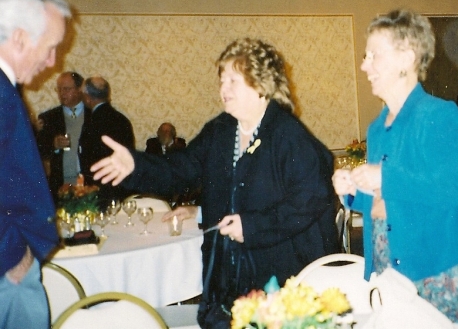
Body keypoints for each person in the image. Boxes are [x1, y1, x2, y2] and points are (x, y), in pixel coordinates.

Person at [90, 38, 339, 329]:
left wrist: (253, 226)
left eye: (233, 80)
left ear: (261, 84)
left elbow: (311, 199)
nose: (223, 89)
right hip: (227, 271)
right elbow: (181, 169)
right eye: (222, 80)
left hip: (279, 276)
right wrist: (136, 164)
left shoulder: (288, 135)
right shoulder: (221, 130)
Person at [332, 9, 458, 323]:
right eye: (365, 56)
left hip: (433, 270)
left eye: (374, 56)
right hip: (388, 266)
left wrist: (383, 177)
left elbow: (452, 188)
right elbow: (385, 199)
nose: (364, 65)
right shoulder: (376, 128)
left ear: (406, 58)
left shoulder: (439, 114)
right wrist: (353, 191)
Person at [0, 0, 71, 329]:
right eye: (50, 47)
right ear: (18, 38)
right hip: (8, 272)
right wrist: (15, 253)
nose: (52, 61)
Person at [78, 76, 135, 204]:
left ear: (87, 98)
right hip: (121, 186)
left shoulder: (91, 122)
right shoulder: (123, 120)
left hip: (98, 188)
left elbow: (87, 159)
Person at [36, 71, 90, 200]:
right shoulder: (48, 118)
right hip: (60, 187)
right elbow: (39, 150)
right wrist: (53, 144)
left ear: (79, 89)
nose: (61, 93)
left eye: (66, 89)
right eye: (59, 89)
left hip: (89, 186)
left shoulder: (94, 115)